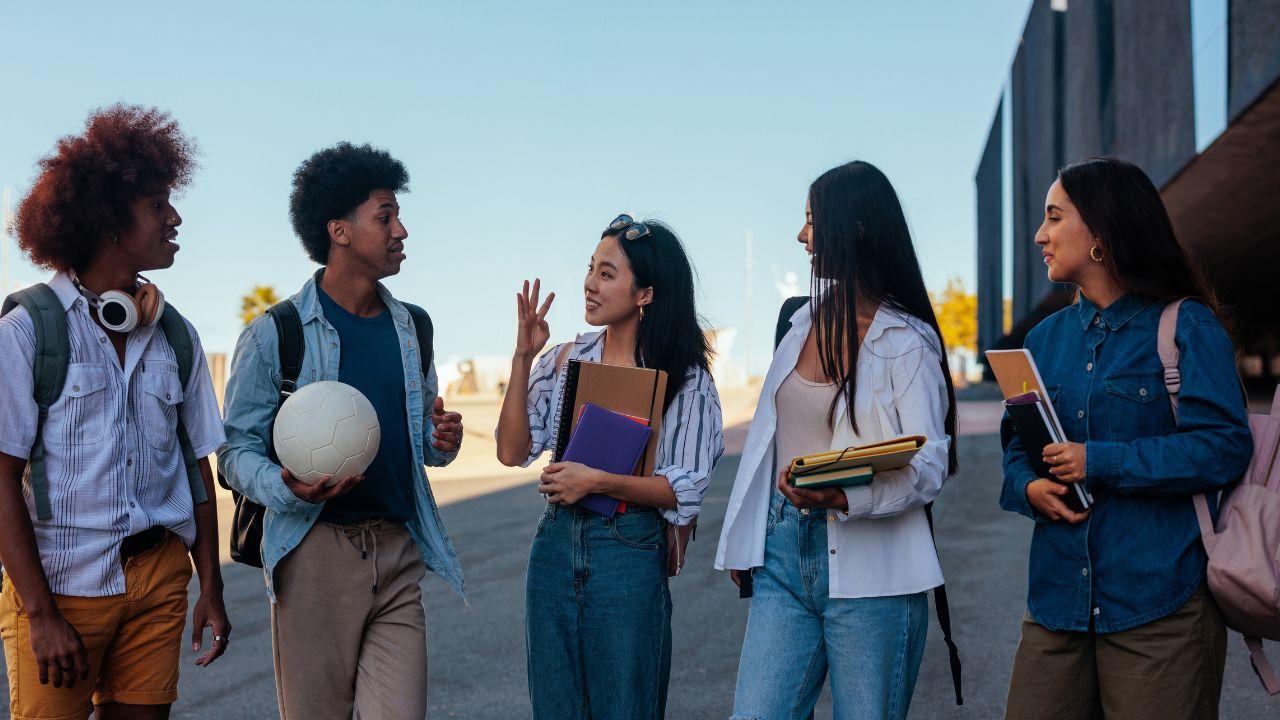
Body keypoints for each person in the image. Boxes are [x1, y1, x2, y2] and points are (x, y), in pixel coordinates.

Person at [999, 157, 1253, 720]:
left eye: (1054, 217)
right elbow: (1017, 450)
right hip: (1056, 607)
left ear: (1101, 232)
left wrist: (1099, 461)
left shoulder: (1187, 326)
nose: (1040, 234)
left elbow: (1225, 446)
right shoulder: (1039, 342)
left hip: (1159, 608)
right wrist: (1027, 489)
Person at [219, 143, 465, 720]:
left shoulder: (414, 327)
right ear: (340, 231)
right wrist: (286, 486)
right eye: (385, 216)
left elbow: (420, 438)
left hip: (398, 551)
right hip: (315, 554)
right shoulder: (275, 333)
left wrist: (439, 439)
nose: (401, 230)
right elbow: (233, 451)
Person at [0, 104, 229, 720]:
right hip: (62, 588)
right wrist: (41, 615)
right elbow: (0, 478)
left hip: (158, 581)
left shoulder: (175, 335)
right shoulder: (28, 329)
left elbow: (195, 468)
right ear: (107, 220)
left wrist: (210, 582)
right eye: (157, 204)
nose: (174, 217)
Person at [716, 161, 957, 720]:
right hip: (782, 556)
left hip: (876, 571)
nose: (802, 237)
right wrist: (746, 535)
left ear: (856, 228)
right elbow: (767, 443)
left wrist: (847, 497)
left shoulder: (907, 341)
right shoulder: (798, 324)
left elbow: (929, 465)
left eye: (812, 221)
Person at [495, 215, 724, 720]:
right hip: (554, 547)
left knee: (627, 706)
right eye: (590, 269)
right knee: (554, 707)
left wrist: (595, 480)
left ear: (645, 294)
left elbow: (682, 489)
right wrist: (521, 356)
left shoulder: (684, 379)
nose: (589, 284)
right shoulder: (561, 361)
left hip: (628, 549)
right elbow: (512, 451)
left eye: (606, 273)